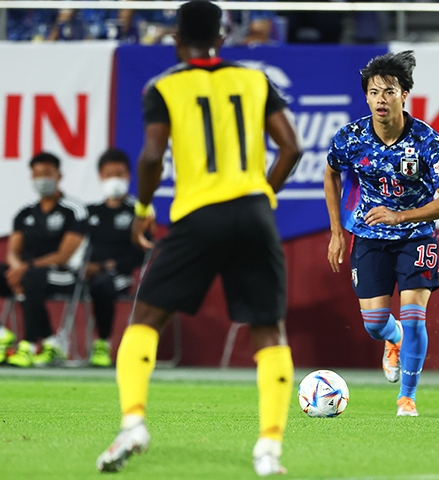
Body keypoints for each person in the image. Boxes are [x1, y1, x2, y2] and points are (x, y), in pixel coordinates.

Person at [96, 1, 302, 476]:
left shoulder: (165, 87)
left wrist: (144, 209)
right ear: (224, 37)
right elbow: (291, 147)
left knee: (146, 318)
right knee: (269, 332)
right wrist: (261, 195)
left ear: (174, 40)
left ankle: (133, 424)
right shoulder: (255, 80)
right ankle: (269, 450)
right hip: (253, 212)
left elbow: (150, 156)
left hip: (197, 214)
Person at [324, 51, 439, 417]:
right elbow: (330, 172)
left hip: (416, 236)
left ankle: (407, 398)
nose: (380, 99)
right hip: (368, 236)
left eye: (389, 91)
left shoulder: (427, 142)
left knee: (415, 314)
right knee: (374, 325)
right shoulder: (351, 138)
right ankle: (393, 339)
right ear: (366, 97)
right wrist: (338, 230)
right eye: (373, 92)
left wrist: (402, 216)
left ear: (404, 95)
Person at [0, 152, 88, 367]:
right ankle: (7, 335)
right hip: (28, 273)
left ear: (59, 175)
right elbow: (13, 250)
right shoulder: (25, 213)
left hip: (65, 275)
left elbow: (63, 256)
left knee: (32, 277)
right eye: (37, 174)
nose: (42, 179)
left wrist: (25, 269)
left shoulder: (73, 211)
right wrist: (17, 268)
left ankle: (29, 346)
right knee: (19, 275)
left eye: (47, 173)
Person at [85, 148, 146, 367]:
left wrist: (105, 266)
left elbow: (140, 253)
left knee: (103, 285)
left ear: (129, 175)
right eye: (109, 174)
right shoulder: (89, 212)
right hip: (84, 274)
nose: (114, 179)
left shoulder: (139, 213)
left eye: (119, 174)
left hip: (120, 275)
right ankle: (48, 343)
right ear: (100, 177)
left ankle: (102, 342)